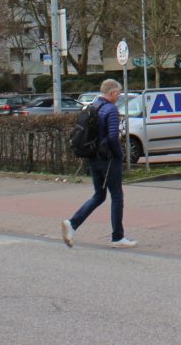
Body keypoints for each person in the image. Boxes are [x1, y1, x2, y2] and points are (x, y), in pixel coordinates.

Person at [62, 79, 135, 248]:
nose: (119, 95)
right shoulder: (111, 109)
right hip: (108, 160)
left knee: (99, 195)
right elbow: (112, 137)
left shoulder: (93, 107)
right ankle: (118, 237)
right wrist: (119, 155)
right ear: (112, 93)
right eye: (118, 92)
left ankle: (72, 224)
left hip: (93, 157)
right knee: (117, 196)